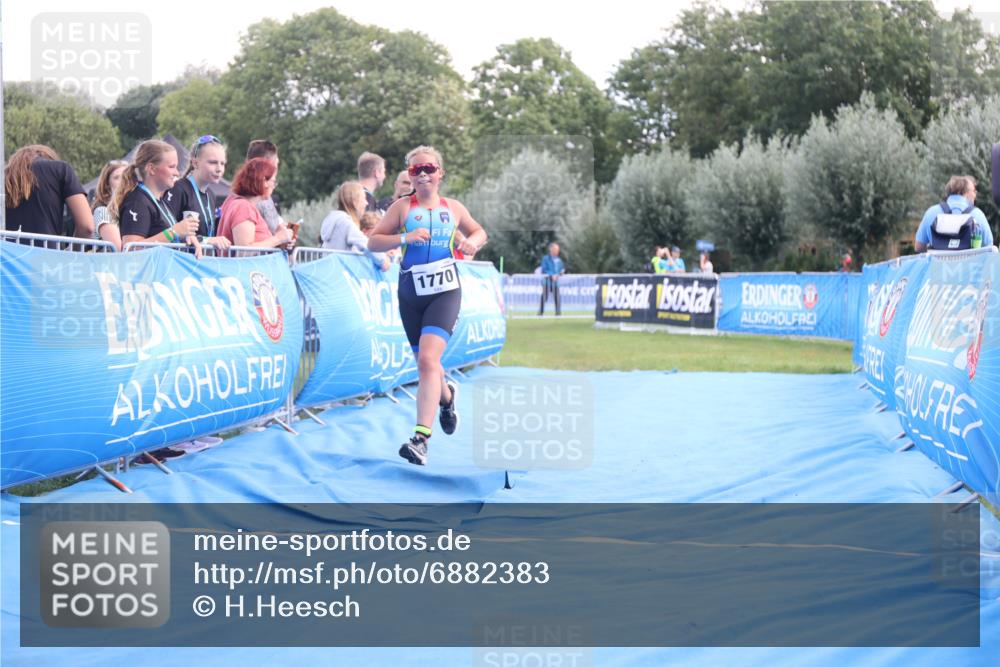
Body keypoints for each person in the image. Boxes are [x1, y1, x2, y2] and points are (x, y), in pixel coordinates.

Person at [368, 145, 487, 465]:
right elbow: (373, 241)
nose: (422, 174)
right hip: (410, 294)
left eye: (428, 169)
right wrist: (404, 238)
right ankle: (447, 398)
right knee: (427, 365)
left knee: (427, 361)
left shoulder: (454, 207)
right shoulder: (401, 208)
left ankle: (420, 439)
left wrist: (470, 243)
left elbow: (479, 232)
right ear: (409, 175)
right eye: (415, 170)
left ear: (440, 173)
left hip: (444, 293)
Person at [112, 140, 202, 254]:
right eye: (172, 167)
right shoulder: (137, 202)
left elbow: (164, 238)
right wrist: (174, 232)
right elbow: (131, 248)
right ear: (152, 169)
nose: (177, 173)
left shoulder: (160, 201)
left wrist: (184, 238)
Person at [4, 144, 95, 239]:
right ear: (49, 157)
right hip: (47, 251)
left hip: (7, 252)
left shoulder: (4, 176)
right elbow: (87, 226)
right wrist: (72, 250)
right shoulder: (61, 169)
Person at [164, 134, 231, 251]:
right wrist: (207, 240)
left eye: (222, 163)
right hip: (180, 263)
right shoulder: (178, 189)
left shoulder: (210, 194)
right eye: (213, 162)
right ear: (195, 163)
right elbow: (167, 233)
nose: (219, 169)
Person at [217, 157, 294, 249]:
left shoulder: (235, 202)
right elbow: (245, 250)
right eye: (273, 181)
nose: (274, 186)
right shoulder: (244, 207)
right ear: (264, 181)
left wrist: (280, 241)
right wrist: (278, 238)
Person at [319, 181, 389, 271]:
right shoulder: (344, 222)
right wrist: (382, 260)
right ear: (354, 201)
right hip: (339, 274)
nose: (366, 203)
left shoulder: (337, 220)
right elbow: (364, 243)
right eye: (364, 198)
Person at [915, 176, 994, 251]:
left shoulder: (931, 213)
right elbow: (988, 247)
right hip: (969, 264)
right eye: (973, 191)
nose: (975, 195)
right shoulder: (977, 214)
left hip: (938, 264)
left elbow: (918, 247)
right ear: (964, 192)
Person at [246, 139, 286, 234]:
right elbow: (275, 228)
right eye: (276, 163)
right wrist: (282, 237)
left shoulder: (238, 194)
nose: (277, 168)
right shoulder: (259, 196)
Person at [89, 159, 128, 250]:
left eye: (126, 176)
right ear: (107, 184)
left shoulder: (133, 209)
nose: (123, 181)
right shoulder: (103, 211)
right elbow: (118, 249)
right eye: (117, 177)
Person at [538, 242, 566, 316]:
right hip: (547, 282)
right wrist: (551, 275)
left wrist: (562, 272)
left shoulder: (559, 260)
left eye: (558, 249)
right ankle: (540, 313)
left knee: (557, 298)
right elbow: (544, 269)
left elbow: (561, 269)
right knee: (544, 297)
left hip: (556, 283)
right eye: (556, 249)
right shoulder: (546, 259)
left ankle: (558, 314)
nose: (557, 251)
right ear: (551, 249)